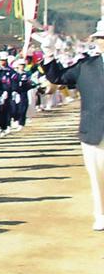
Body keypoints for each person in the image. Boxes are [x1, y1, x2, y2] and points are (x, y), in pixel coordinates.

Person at [39, 23, 104, 230]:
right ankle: (101, 214)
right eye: (101, 39)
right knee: (97, 176)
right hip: (93, 130)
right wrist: (48, 53)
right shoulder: (86, 66)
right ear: (97, 41)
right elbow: (58, 77)